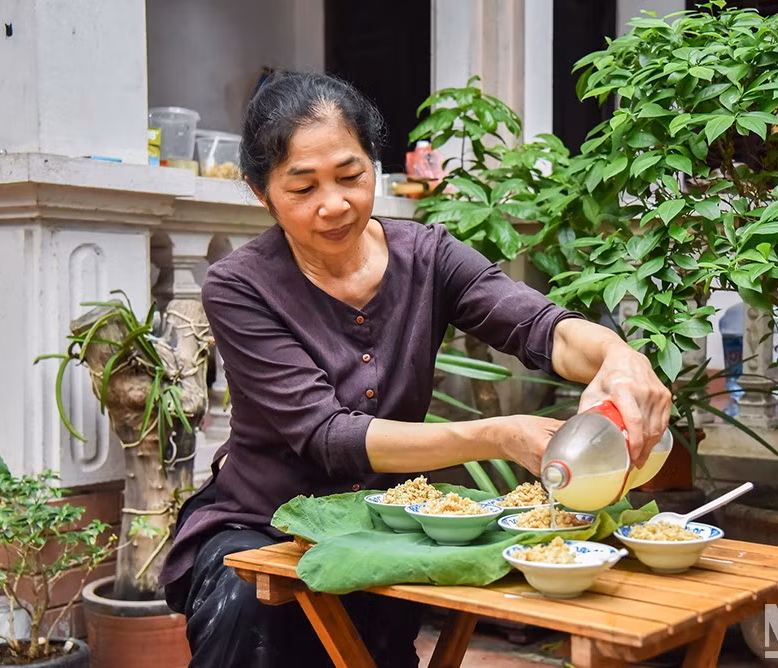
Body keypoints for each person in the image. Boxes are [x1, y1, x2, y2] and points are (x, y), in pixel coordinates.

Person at [159, 71, 671, 668]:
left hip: (387, 527)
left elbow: (538, 327)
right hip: (262, 524)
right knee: (252, 615)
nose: (334, 204)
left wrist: (619, 356)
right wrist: (500, 435)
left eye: (351, 176)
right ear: (260, 191)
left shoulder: (427, 255)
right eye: (303, 188)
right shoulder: (238, 286)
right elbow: (328, 434)